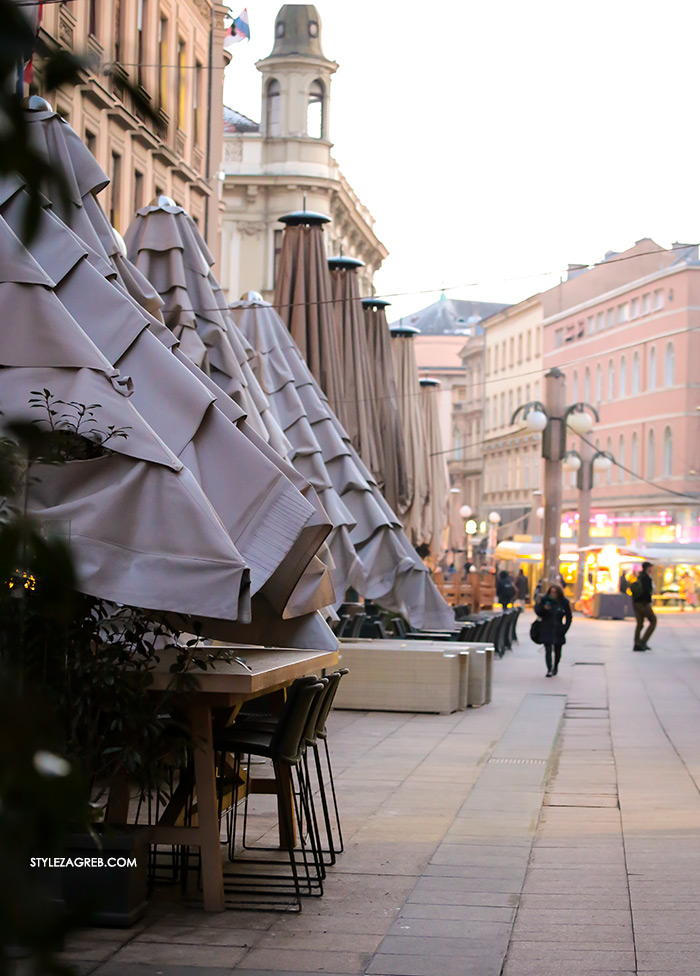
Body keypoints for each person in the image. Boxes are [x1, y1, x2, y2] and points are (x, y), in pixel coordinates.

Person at [535, 584, 572, 677]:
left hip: (558, 629)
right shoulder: (545, 600)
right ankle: (549, 669)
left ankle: (555, 666)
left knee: (557, 650)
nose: (553, 594)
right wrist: (544, 609)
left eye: (555, 592)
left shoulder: (564, 602)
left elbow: (569, 616)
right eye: (551, 592)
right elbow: (538, 611)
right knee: (548, 649)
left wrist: (565, 628)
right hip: (547, 628)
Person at [630, 561, 656, 650]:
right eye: (651, 568)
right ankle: (643, 641)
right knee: (653, 620)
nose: (652, 569)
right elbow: (646, 592)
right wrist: (648, 602)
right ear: (648, 568)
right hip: (643, 603)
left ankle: (637, 643)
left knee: (640, 623)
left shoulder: (640, 577)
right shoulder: (646, 578)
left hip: (636, 602)